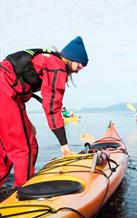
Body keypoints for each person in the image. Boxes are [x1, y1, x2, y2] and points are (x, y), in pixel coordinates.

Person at [0, 36, 88, 188]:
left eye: (84, 65)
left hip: (7, 94)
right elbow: (52, 106)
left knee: (6, 149)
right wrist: (64, 146)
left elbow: (17, 87)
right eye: (80, 62)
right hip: (4, 93)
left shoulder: (47, 59)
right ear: (70, 57)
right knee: (26, 148)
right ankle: (22, 195)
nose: (81, 67)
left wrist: (27, 124)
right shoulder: (57, 65)